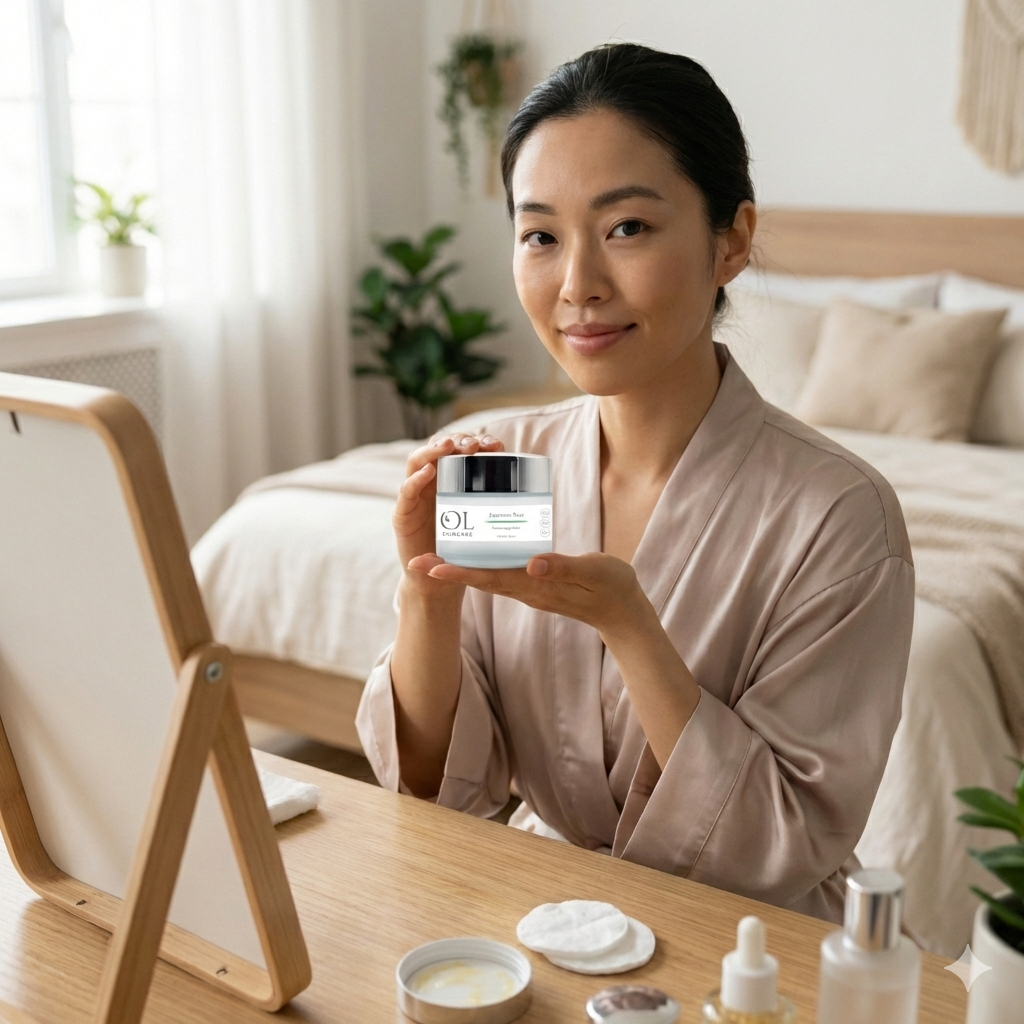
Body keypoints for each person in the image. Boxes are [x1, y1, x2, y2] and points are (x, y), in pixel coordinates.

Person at [356, 43, 914, 922]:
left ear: (730, 241)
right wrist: (426, 595)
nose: (577, 285)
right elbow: (432, 788)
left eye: (627, 228)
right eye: (541, 235)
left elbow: (786, 839)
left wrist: (629, 626)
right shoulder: (506, 465)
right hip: (547, 922)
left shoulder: (839, 516)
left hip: (752, 962)